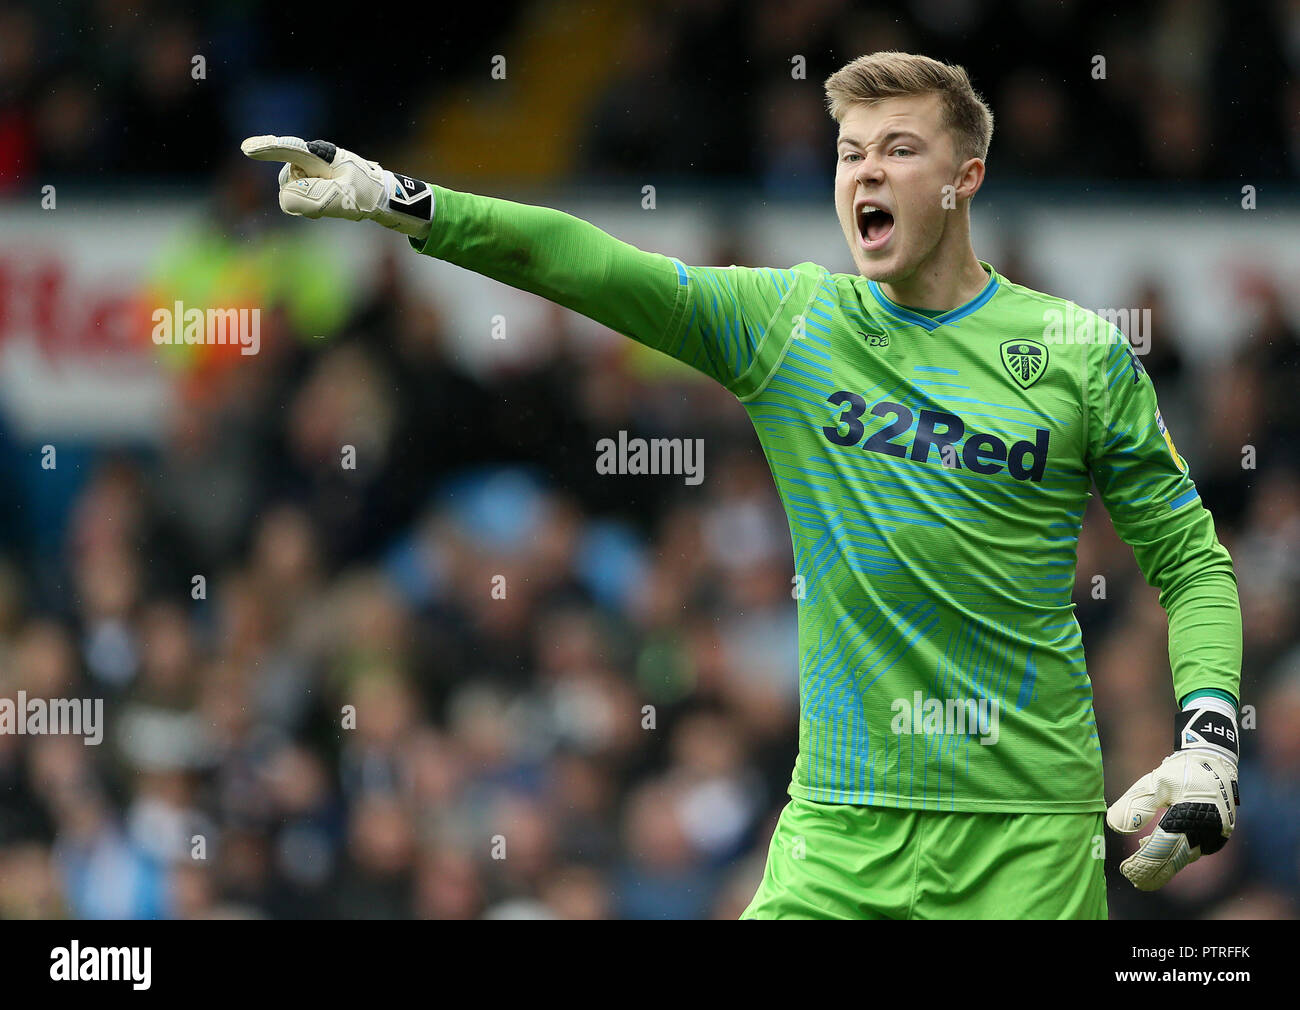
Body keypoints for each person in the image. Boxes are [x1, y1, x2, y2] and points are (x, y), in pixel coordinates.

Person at [241, 50, 1242, 920]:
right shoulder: (792, 324)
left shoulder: (1076, 354)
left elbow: (1191, 562)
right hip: (842, 823)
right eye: (850, 152)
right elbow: (587, 264)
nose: (865, 172)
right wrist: (401, 200)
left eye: (898, 148)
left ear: (964, 176)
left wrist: (1206, 739)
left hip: (1025, 831)